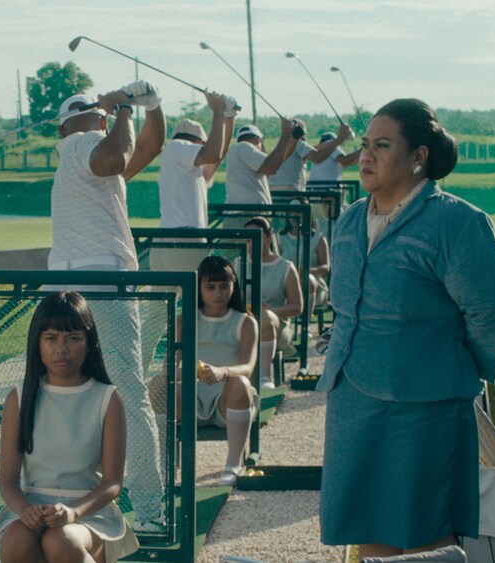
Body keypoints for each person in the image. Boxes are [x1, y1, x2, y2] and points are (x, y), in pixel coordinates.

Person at [317, 98, 495, 559]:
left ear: (418, 157)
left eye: (382, 145)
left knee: (425, 530)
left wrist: (451, 365)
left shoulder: (457, 223)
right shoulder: (349, 221)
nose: (366, 155)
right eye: (365, 144)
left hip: (426, 405)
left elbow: (492, 309)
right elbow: (345, 308)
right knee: (367, 523)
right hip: (352, 401)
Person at [48, 82, 168, 532]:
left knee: (70, 391)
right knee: (129, 396)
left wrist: (151, 107)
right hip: (103, 284)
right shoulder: (84, 144)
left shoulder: (85, 157)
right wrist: (123, 109)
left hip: (68, 286)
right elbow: (117, 156)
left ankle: (64, 495)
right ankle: (150, 513)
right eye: (96, 113)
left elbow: (146, 148)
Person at [0, 291, 139, 563]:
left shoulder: (108, 398)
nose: (61, 348)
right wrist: (25, 510)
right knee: (14, 542)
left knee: (60, 540)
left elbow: (112, 483)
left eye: (73, 338)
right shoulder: (19, 397)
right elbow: (8, 482)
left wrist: (73, 512)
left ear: (89, 343)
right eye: (51, 338)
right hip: (32, 510)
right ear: (37, 343)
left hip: (88, 513)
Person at [182, 256, 260, 486]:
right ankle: (162, 469)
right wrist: (193, 371)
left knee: (241, 383)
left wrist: (222, 372)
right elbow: (173, 367)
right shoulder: (184, 321)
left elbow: (247, 367)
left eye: (225, 286)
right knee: (159, 386)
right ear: (199, 288)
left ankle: (233, 464)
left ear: (234, 286)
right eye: (211, 287)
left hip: (227, 401)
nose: (218, 293)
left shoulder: (245, 322)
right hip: (191, 400)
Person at [150, 91, 237, 271]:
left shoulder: (187, 166)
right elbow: (213, 153)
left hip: (170, 241)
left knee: (165, 291)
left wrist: (228, 117)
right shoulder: (178, 146)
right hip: (184, 241)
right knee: (198, 289)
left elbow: (218, 154)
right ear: (199, 142)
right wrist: (217, 111)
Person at [238, 216, 303, 389]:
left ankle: (264, 376)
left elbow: (297, 307)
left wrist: (272, 311)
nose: (251, 243)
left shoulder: (286, 267)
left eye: (256, 237)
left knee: (266, 318)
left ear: (269, 237)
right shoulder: (238, 264)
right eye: (247, 239)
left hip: (277, 326)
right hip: (245, 322)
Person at [221, 119, 296, 228]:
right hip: (246, 218)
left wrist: (290, 138)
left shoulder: (239, 150)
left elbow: (278, 161)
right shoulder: (244, 147)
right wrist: (285, 135)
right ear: (258, 140)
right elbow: (272, 167)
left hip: (243, 216)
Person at [277, 202, 330, 317]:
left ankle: (306, 323)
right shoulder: (280, 237)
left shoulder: (318, 238)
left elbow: (326, 267)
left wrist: (306, 271)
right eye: (291, 211)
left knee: (307, 280)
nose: (294, 215)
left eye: (298, 211)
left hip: (314, 285)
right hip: (287, 283)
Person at [269, 121, 353, 191]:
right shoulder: (297, 142)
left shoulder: (281, 144)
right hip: (290, 192)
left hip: (274, 191)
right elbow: (317, 158)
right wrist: (340, 138)